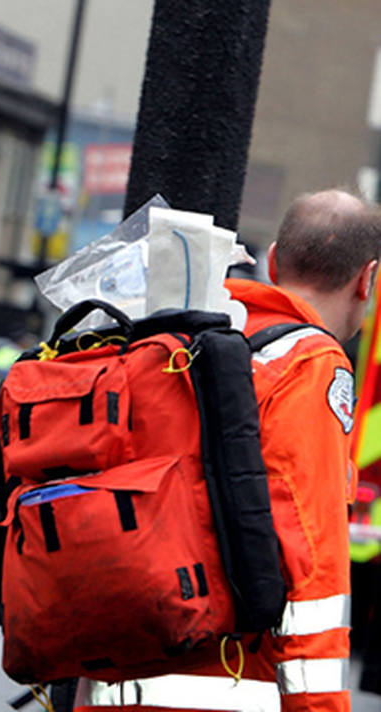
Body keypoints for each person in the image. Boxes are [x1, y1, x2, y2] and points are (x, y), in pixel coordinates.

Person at [74, 188, 381, 711]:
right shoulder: (310, 366)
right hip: (220, 685)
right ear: (367, 279)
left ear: (273, 261)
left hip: (106, 687)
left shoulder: (178, 339)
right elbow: (311, 563)